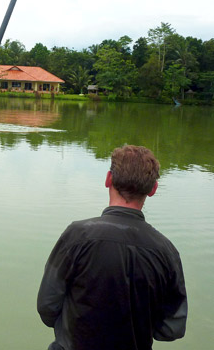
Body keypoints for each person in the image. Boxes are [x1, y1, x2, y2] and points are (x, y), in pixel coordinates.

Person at [37, 145, 187, 350]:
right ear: (153, 189)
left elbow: (47, 307)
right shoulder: (166, 252)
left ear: (108, 179)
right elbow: (172, 328)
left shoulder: (77, 236)